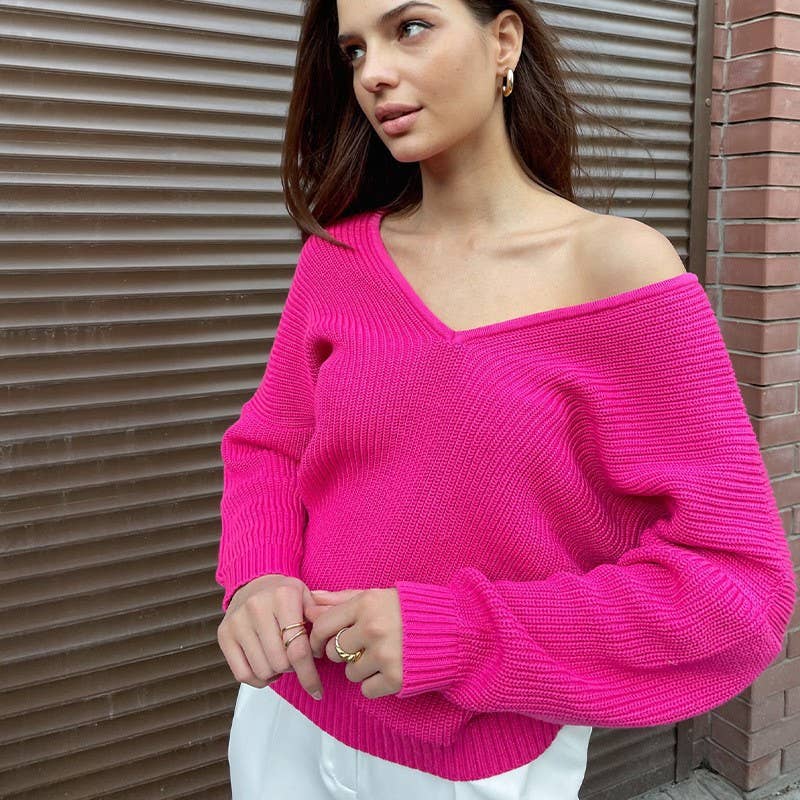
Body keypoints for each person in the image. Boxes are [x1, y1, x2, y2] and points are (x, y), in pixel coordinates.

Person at [214, 0, 797, 798]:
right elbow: (271, 445)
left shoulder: (618, 272)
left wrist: (459, 633)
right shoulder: (338, 257)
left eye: (409, 27)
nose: (374, 72)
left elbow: (737, 589)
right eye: (353, 50)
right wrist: (259, 574)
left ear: (504, 41)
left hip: (478, 757)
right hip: (289, 714)